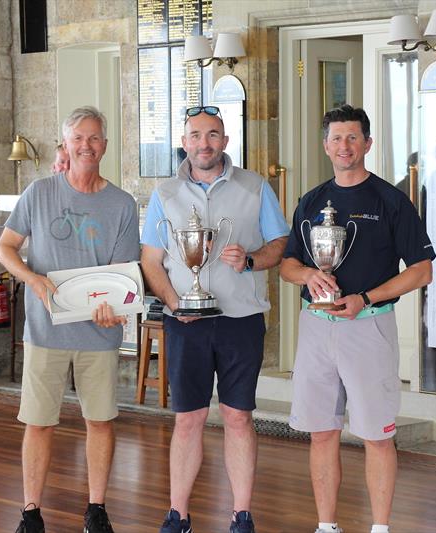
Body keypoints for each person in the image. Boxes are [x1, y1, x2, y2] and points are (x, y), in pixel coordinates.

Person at [279, 105, 435, 533]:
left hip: (368, 327)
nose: (344, 146)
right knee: (321, 432)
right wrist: (309, 274)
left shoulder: (390, 200)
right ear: (325, 145)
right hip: (315, 328)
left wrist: (365, 299)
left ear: (367, 144)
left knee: (376, 434)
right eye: (336, 138)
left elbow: (422, 270)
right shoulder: (311, 201)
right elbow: (287, 265)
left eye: (352, 138)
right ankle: (326, 526)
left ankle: (380, 527)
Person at [140, 105, 290, 533]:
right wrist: (174, 302)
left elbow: (280, 242)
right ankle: (178, 514)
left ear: (225, 141)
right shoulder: (164, 194)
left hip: (240, 318)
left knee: (238, 415)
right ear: (184, 142)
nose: (203, 143)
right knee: (188, 417)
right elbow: (151, 260)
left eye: (212, 134)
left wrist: (251, 259)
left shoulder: (255, 187)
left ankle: (241, 514)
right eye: (195, 135)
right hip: (184, 322)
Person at [0, 106, 139, 533]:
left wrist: (114, 307)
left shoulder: (122, 204)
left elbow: (120, 273)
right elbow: (5, 248)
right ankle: (31, 512)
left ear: (105, 146)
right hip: (45, 331)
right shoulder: (38, 193)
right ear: (66, 145)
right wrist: (33, 280)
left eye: (95, 138)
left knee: (100, 421)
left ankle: (96, 509)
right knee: (39, 422)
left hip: (99, 334)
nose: (87, 146)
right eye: (79, 138)